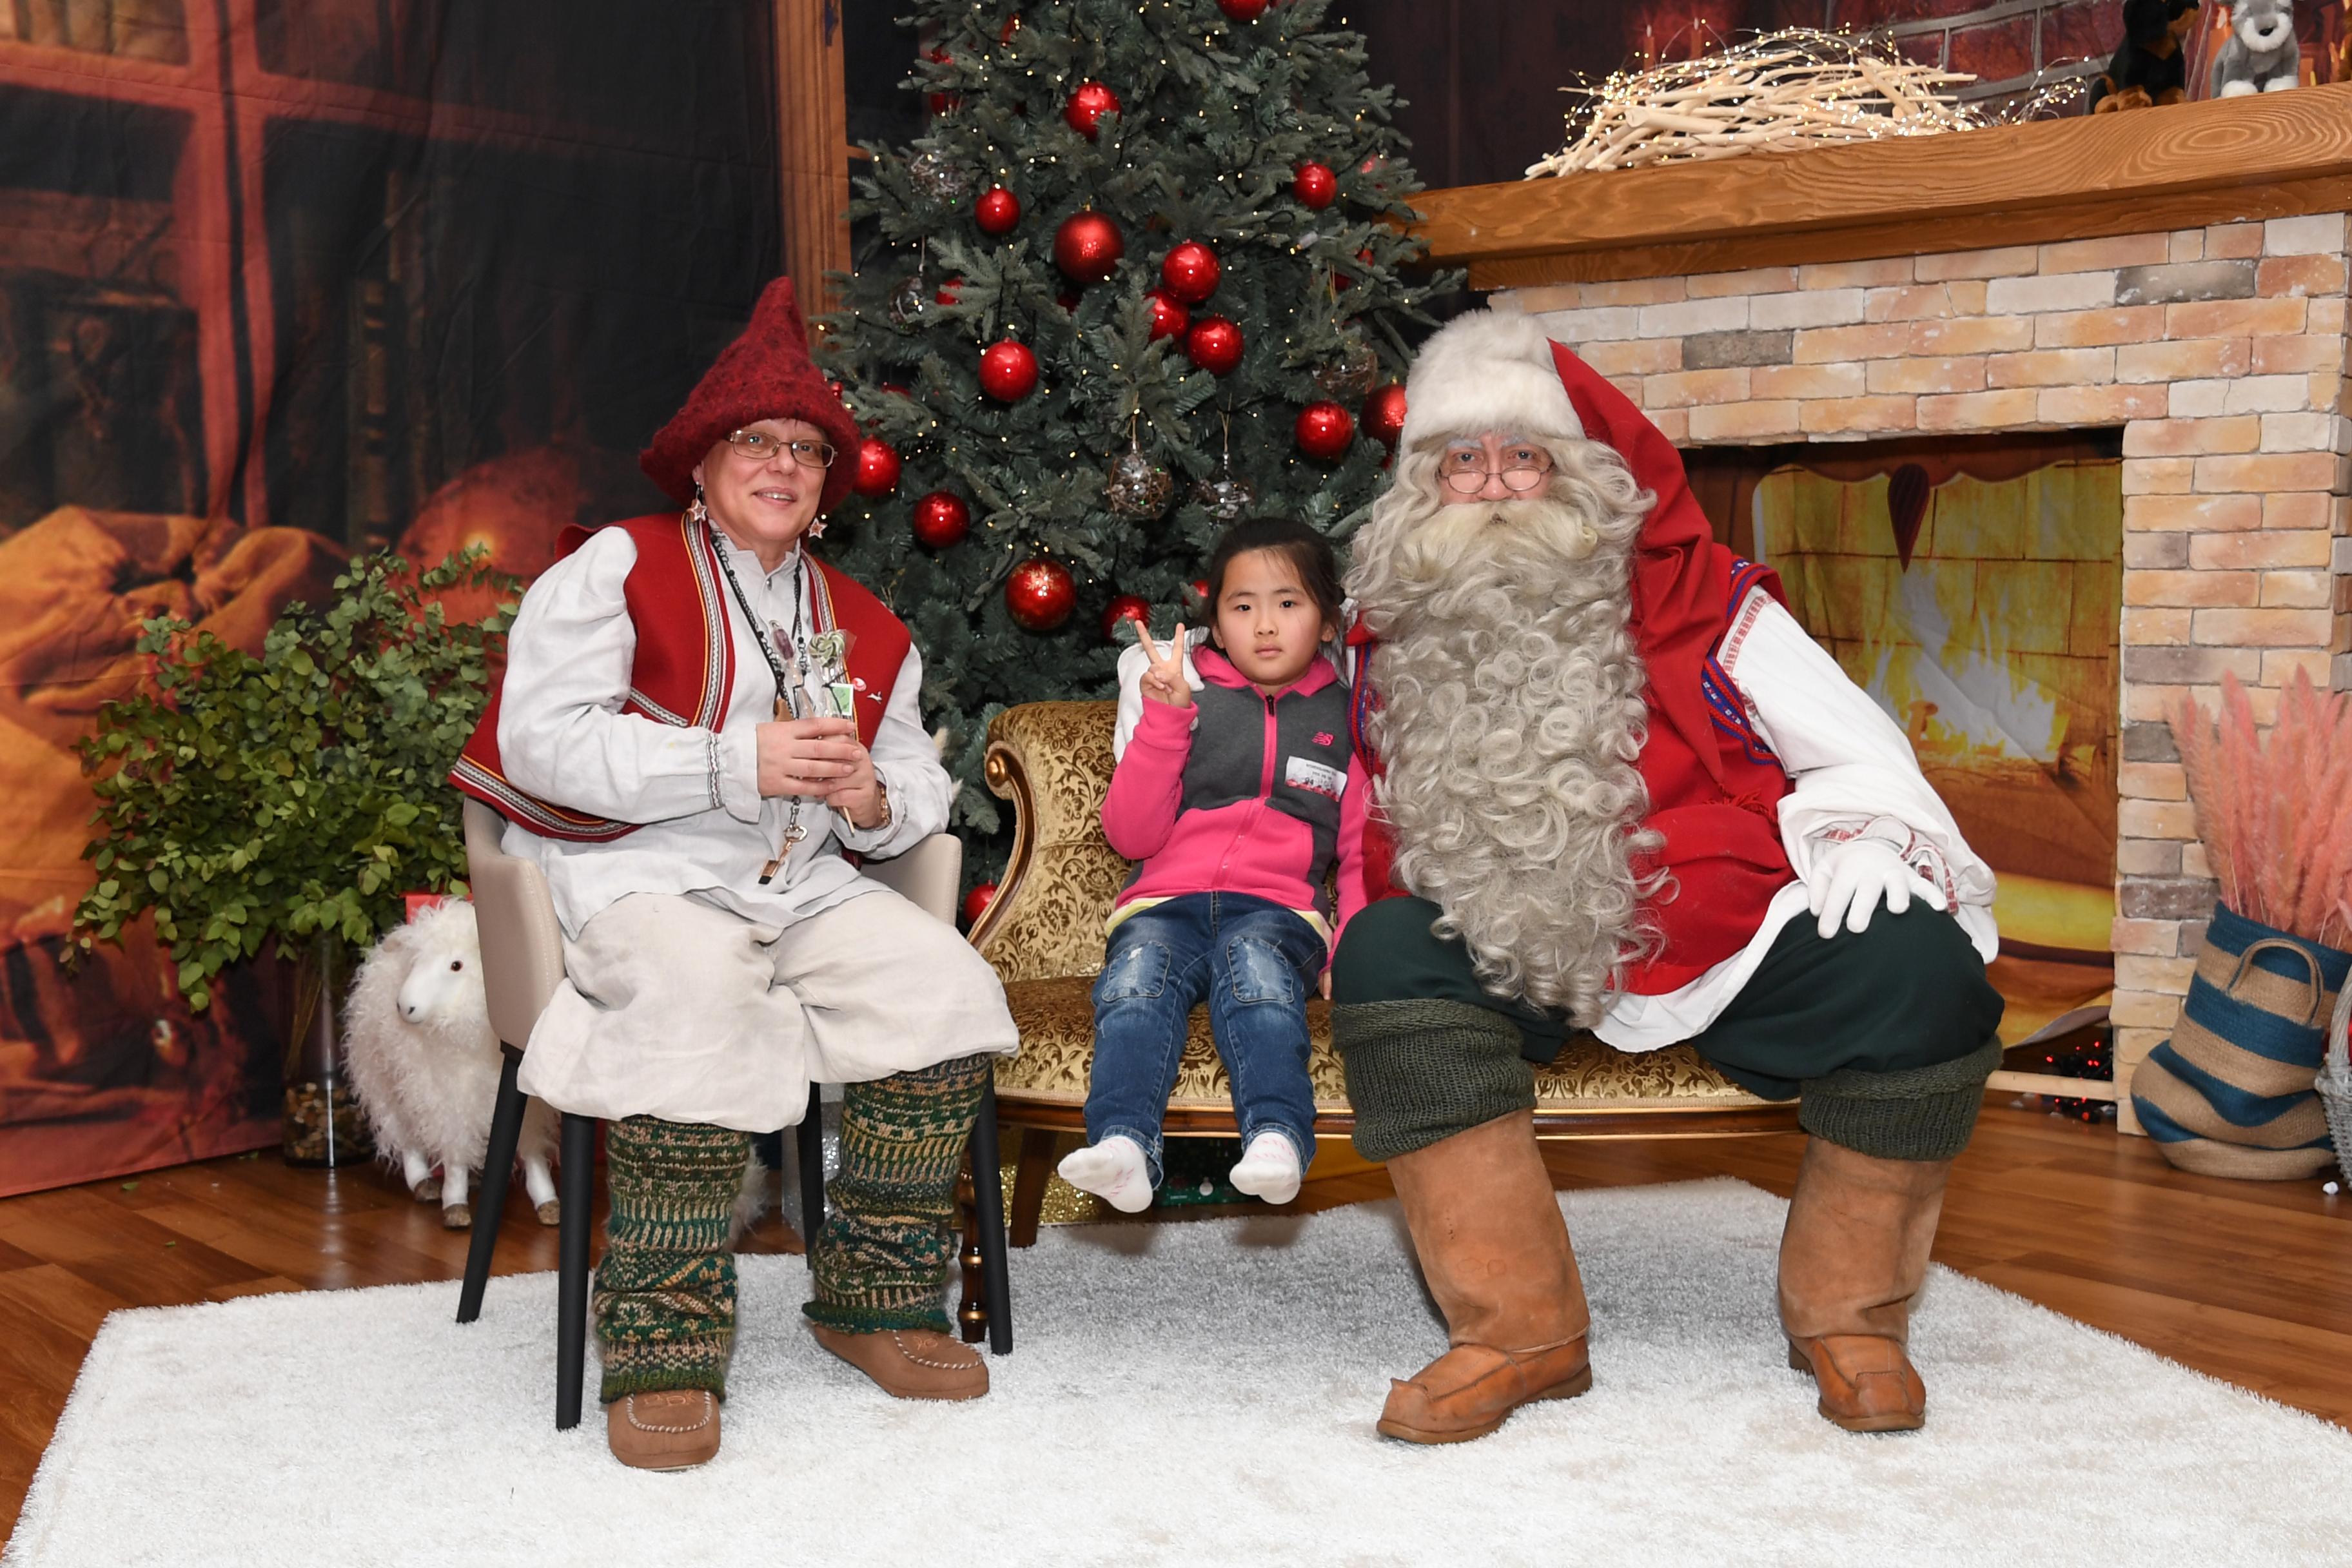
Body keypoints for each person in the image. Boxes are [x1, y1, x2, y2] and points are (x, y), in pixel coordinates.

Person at [1332, 308, 2004, 1445]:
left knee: (1920, 969)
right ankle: (1517, 1328)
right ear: (1422, 486)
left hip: (1711, 917)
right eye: (1462, 460)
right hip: (1501, 931)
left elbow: (1855, 747)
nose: (1494, 486)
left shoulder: (1704, 604)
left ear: (1576, 472)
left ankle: (1852, 1319)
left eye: (1523, 456)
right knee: (1390, 957)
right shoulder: (1386, 630)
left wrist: (1865, 843)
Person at [451, 278, 1019, 1471]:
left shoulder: (866, 624)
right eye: (755, 442)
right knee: (695, 1005)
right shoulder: (613, 565)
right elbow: (546, 738)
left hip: (806, 884)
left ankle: (871, 1296)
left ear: (826, 485)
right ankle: (662, 1341)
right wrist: (731, 761)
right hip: (638, 874)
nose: (783, 464)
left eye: (806, 449)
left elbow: (917, 782)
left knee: (943, 992)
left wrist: (873, 797)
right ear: (703, 462)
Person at [1055, 518, 1362, 1214]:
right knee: (1134, 983)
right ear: (1216, 627)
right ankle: (1124, 1146)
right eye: (1242, 606)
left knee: (1255, 970)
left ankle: (1278, 1136)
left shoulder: (1347, 715)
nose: (1265, 625)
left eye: (1288, 603)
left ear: (1326, 618)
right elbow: (1131, 833)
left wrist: (1348, 944)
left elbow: (1359, 849)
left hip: (1279, 912)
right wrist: (1166, 722)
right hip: (1164, 902)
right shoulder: (1188, 696)